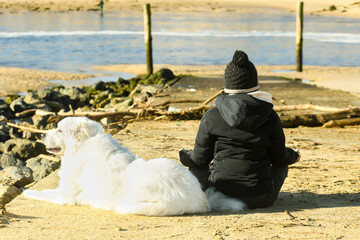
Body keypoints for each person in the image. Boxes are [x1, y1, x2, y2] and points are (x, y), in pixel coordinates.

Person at [179, 50, 301, 209]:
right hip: (261, 197)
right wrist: (293, 155)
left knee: (195, 167)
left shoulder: (211, 116)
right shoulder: (270, 116)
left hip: (218, 193)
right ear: (255, 86)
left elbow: (199, 160)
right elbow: (279, 158)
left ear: (228, 86)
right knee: (282, 164)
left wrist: (184, 155)